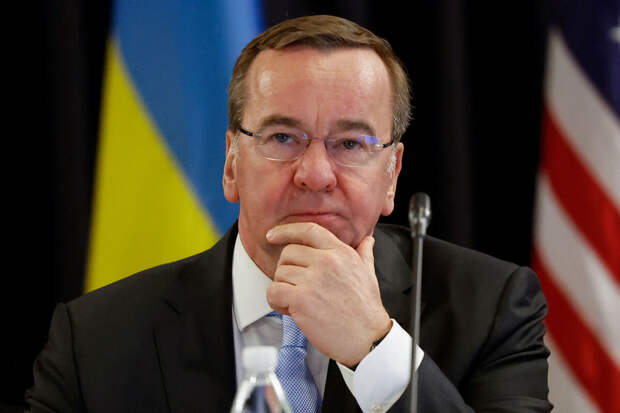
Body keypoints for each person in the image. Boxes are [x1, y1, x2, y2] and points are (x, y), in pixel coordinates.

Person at [26, 15, 551, 412]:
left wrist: (375, 349)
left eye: (350, 143)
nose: (315, 174)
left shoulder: (490, 310)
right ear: (232, 164)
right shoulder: (96, 340)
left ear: (392, 174)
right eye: (282, 137)